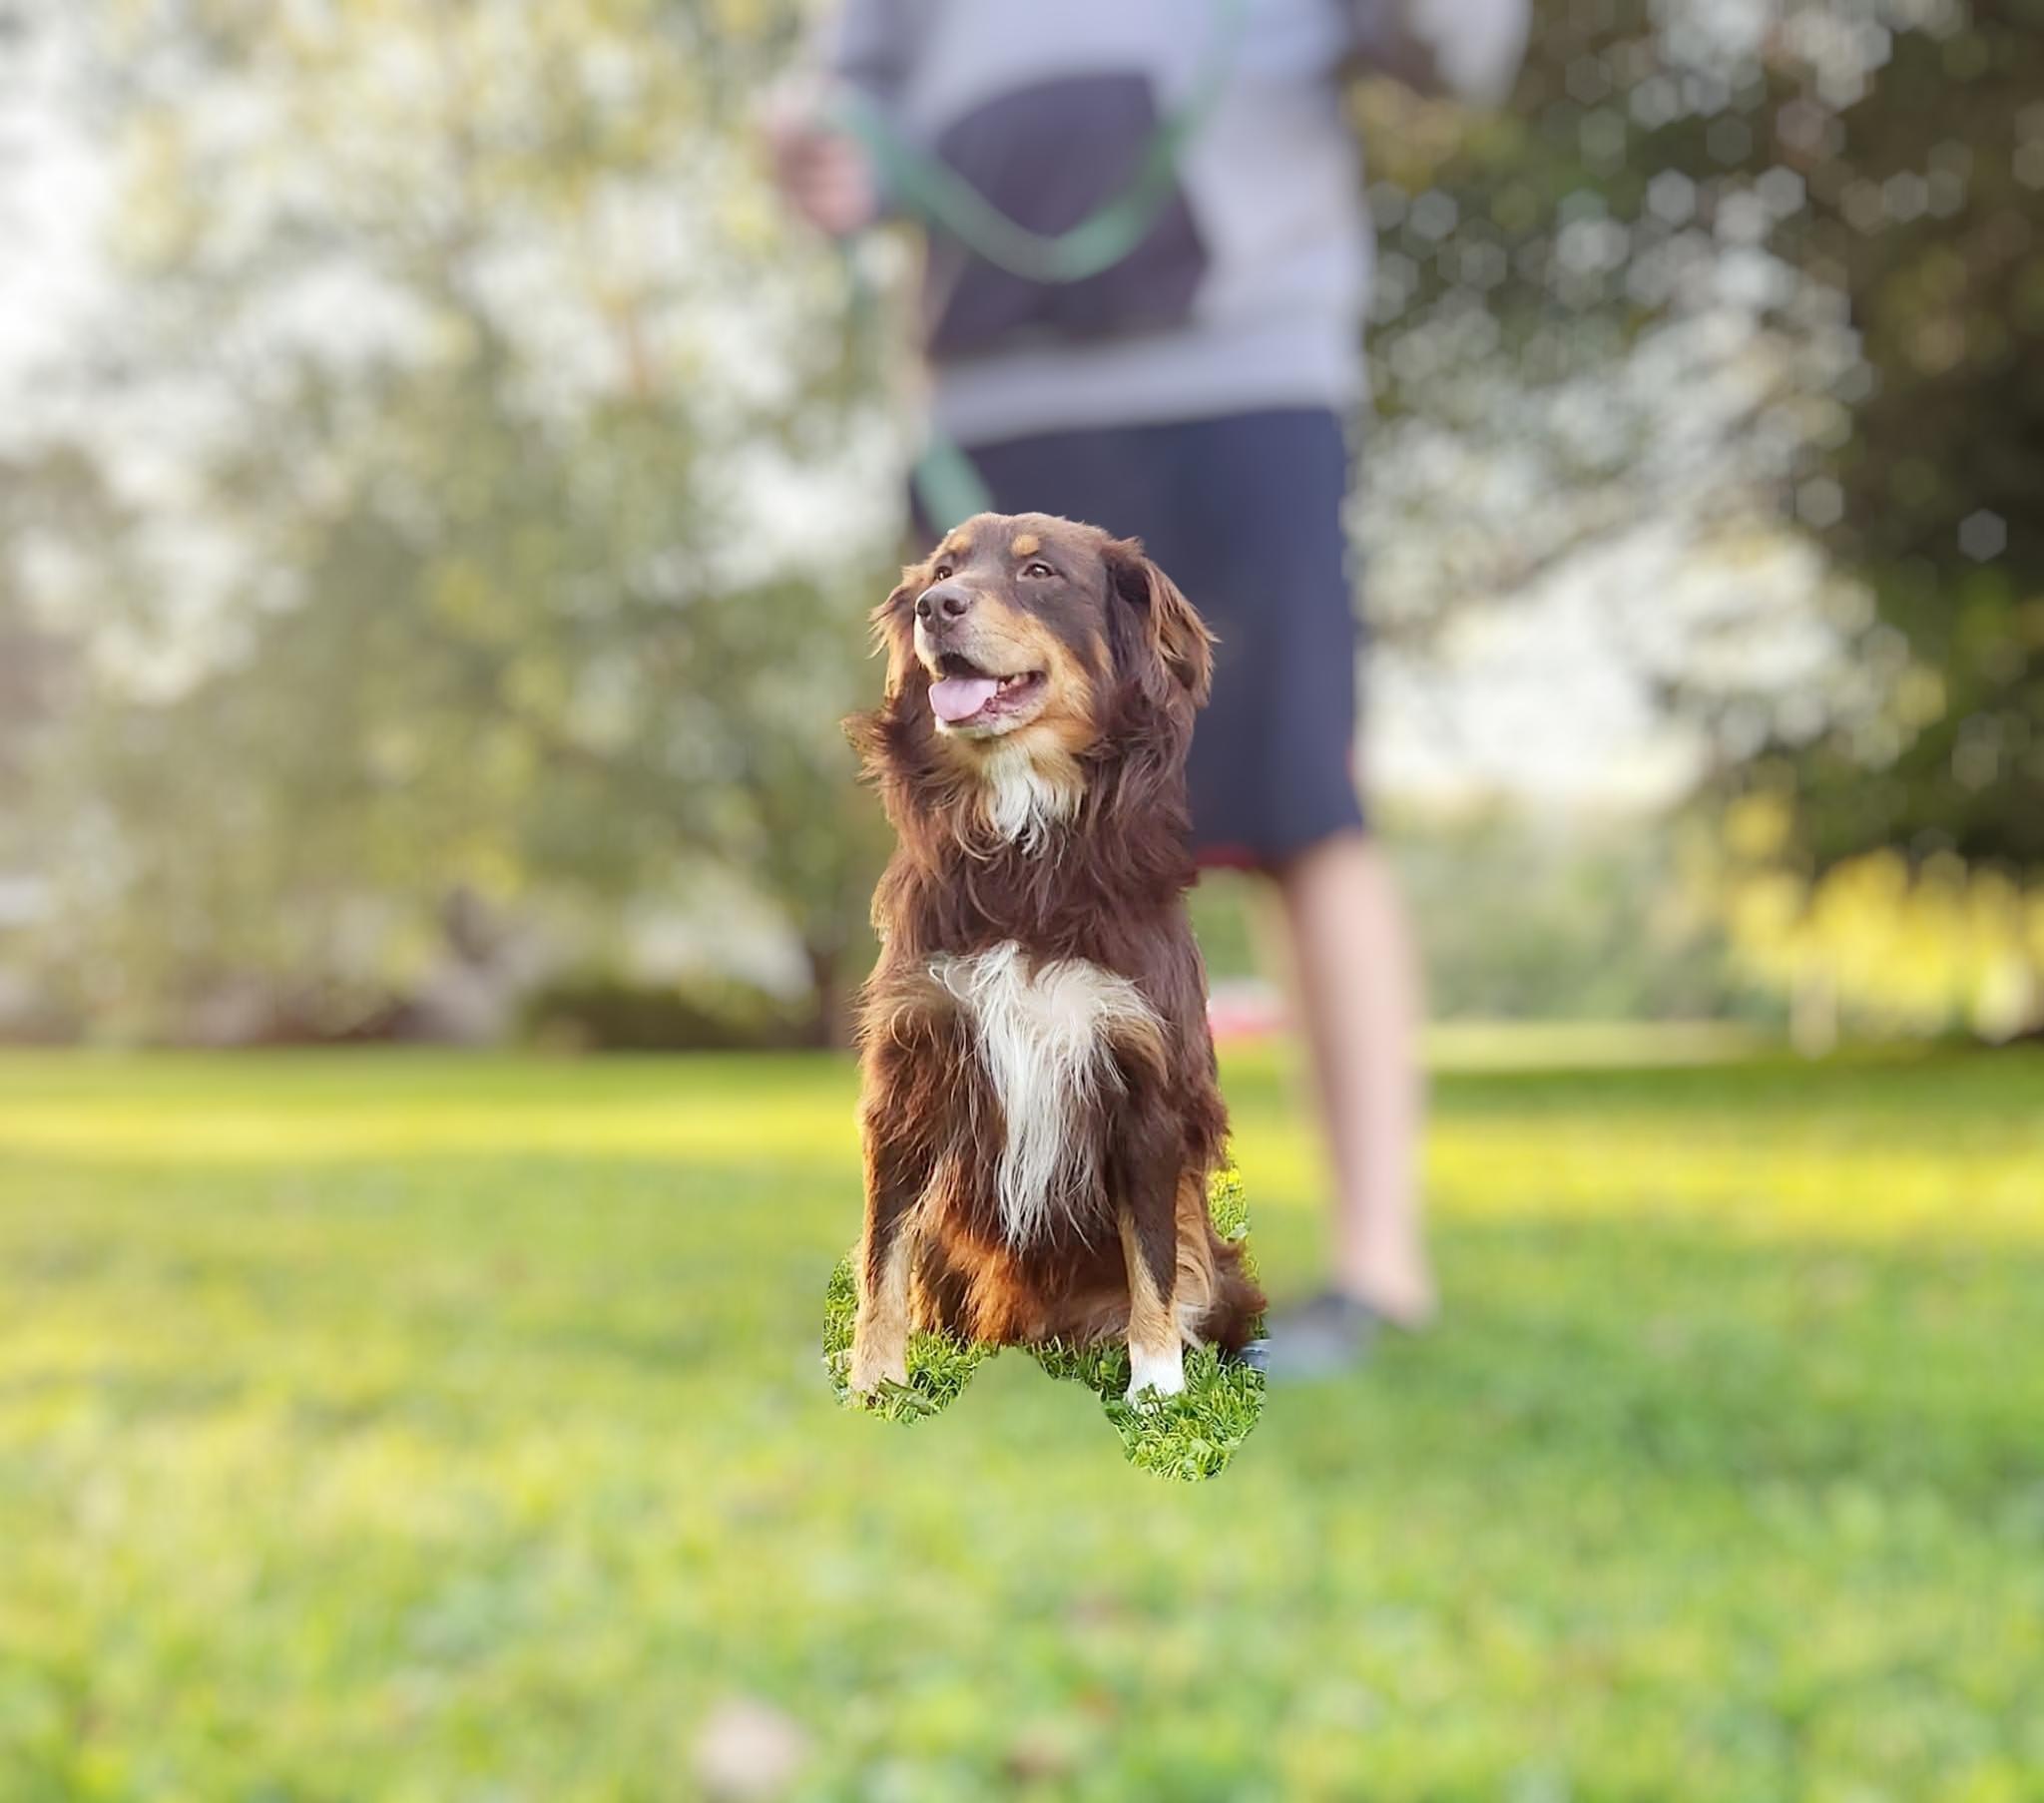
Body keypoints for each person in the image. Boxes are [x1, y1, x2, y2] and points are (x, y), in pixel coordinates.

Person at [769, 0, 1528, 1377]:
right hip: (984, 392)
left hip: (1235, 369)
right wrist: (824, 148)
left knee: (1301, 806)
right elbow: (848, 86)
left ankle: (1380, 1274)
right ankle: (993, 1271)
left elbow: (1456, 50)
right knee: (968, 852)